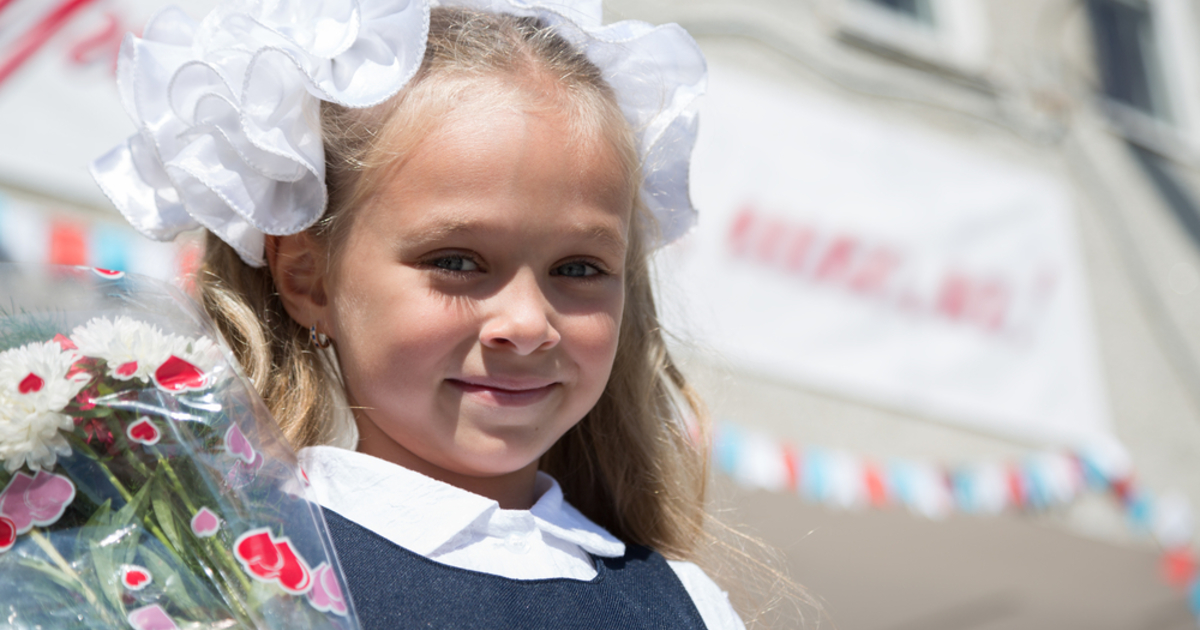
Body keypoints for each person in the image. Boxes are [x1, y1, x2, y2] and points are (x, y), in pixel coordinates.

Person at [92, 0, 742, 627]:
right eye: (457, 261)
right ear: (307, 277)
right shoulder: (220, 573)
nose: (527, 324)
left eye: (577, 269)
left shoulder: (688, 607)